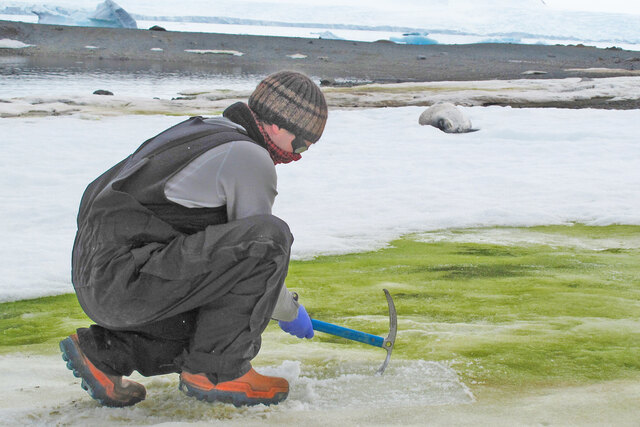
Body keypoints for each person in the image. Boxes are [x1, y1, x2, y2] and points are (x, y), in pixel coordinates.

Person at [59, 71, 328, 408]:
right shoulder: (249, 156)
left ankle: (106, 354)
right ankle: (218, 372)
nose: (298, 155)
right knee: (272, 238)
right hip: (128, 279)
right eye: (301, 143)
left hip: (101, 276)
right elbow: (257, 252)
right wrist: (288, 309)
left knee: (211, 319)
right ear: (277, 125)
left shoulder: (203, 130)